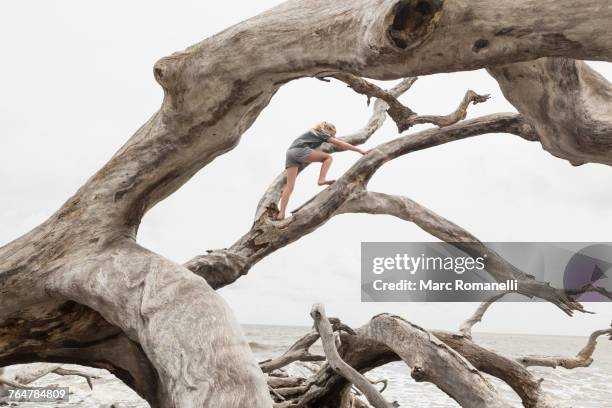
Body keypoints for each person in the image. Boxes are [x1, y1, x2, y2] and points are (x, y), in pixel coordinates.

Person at [277, 122, 368, 220]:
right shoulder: (321, 132)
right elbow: (340, 143)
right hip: (300, 151)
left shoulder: (311, 134)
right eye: (333, 134)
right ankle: (321, 180)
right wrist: (359, 150)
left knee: (289, 187)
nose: (333, 137)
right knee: (328, 158)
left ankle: (281, 214)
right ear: (328, 130)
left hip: (290, 153)